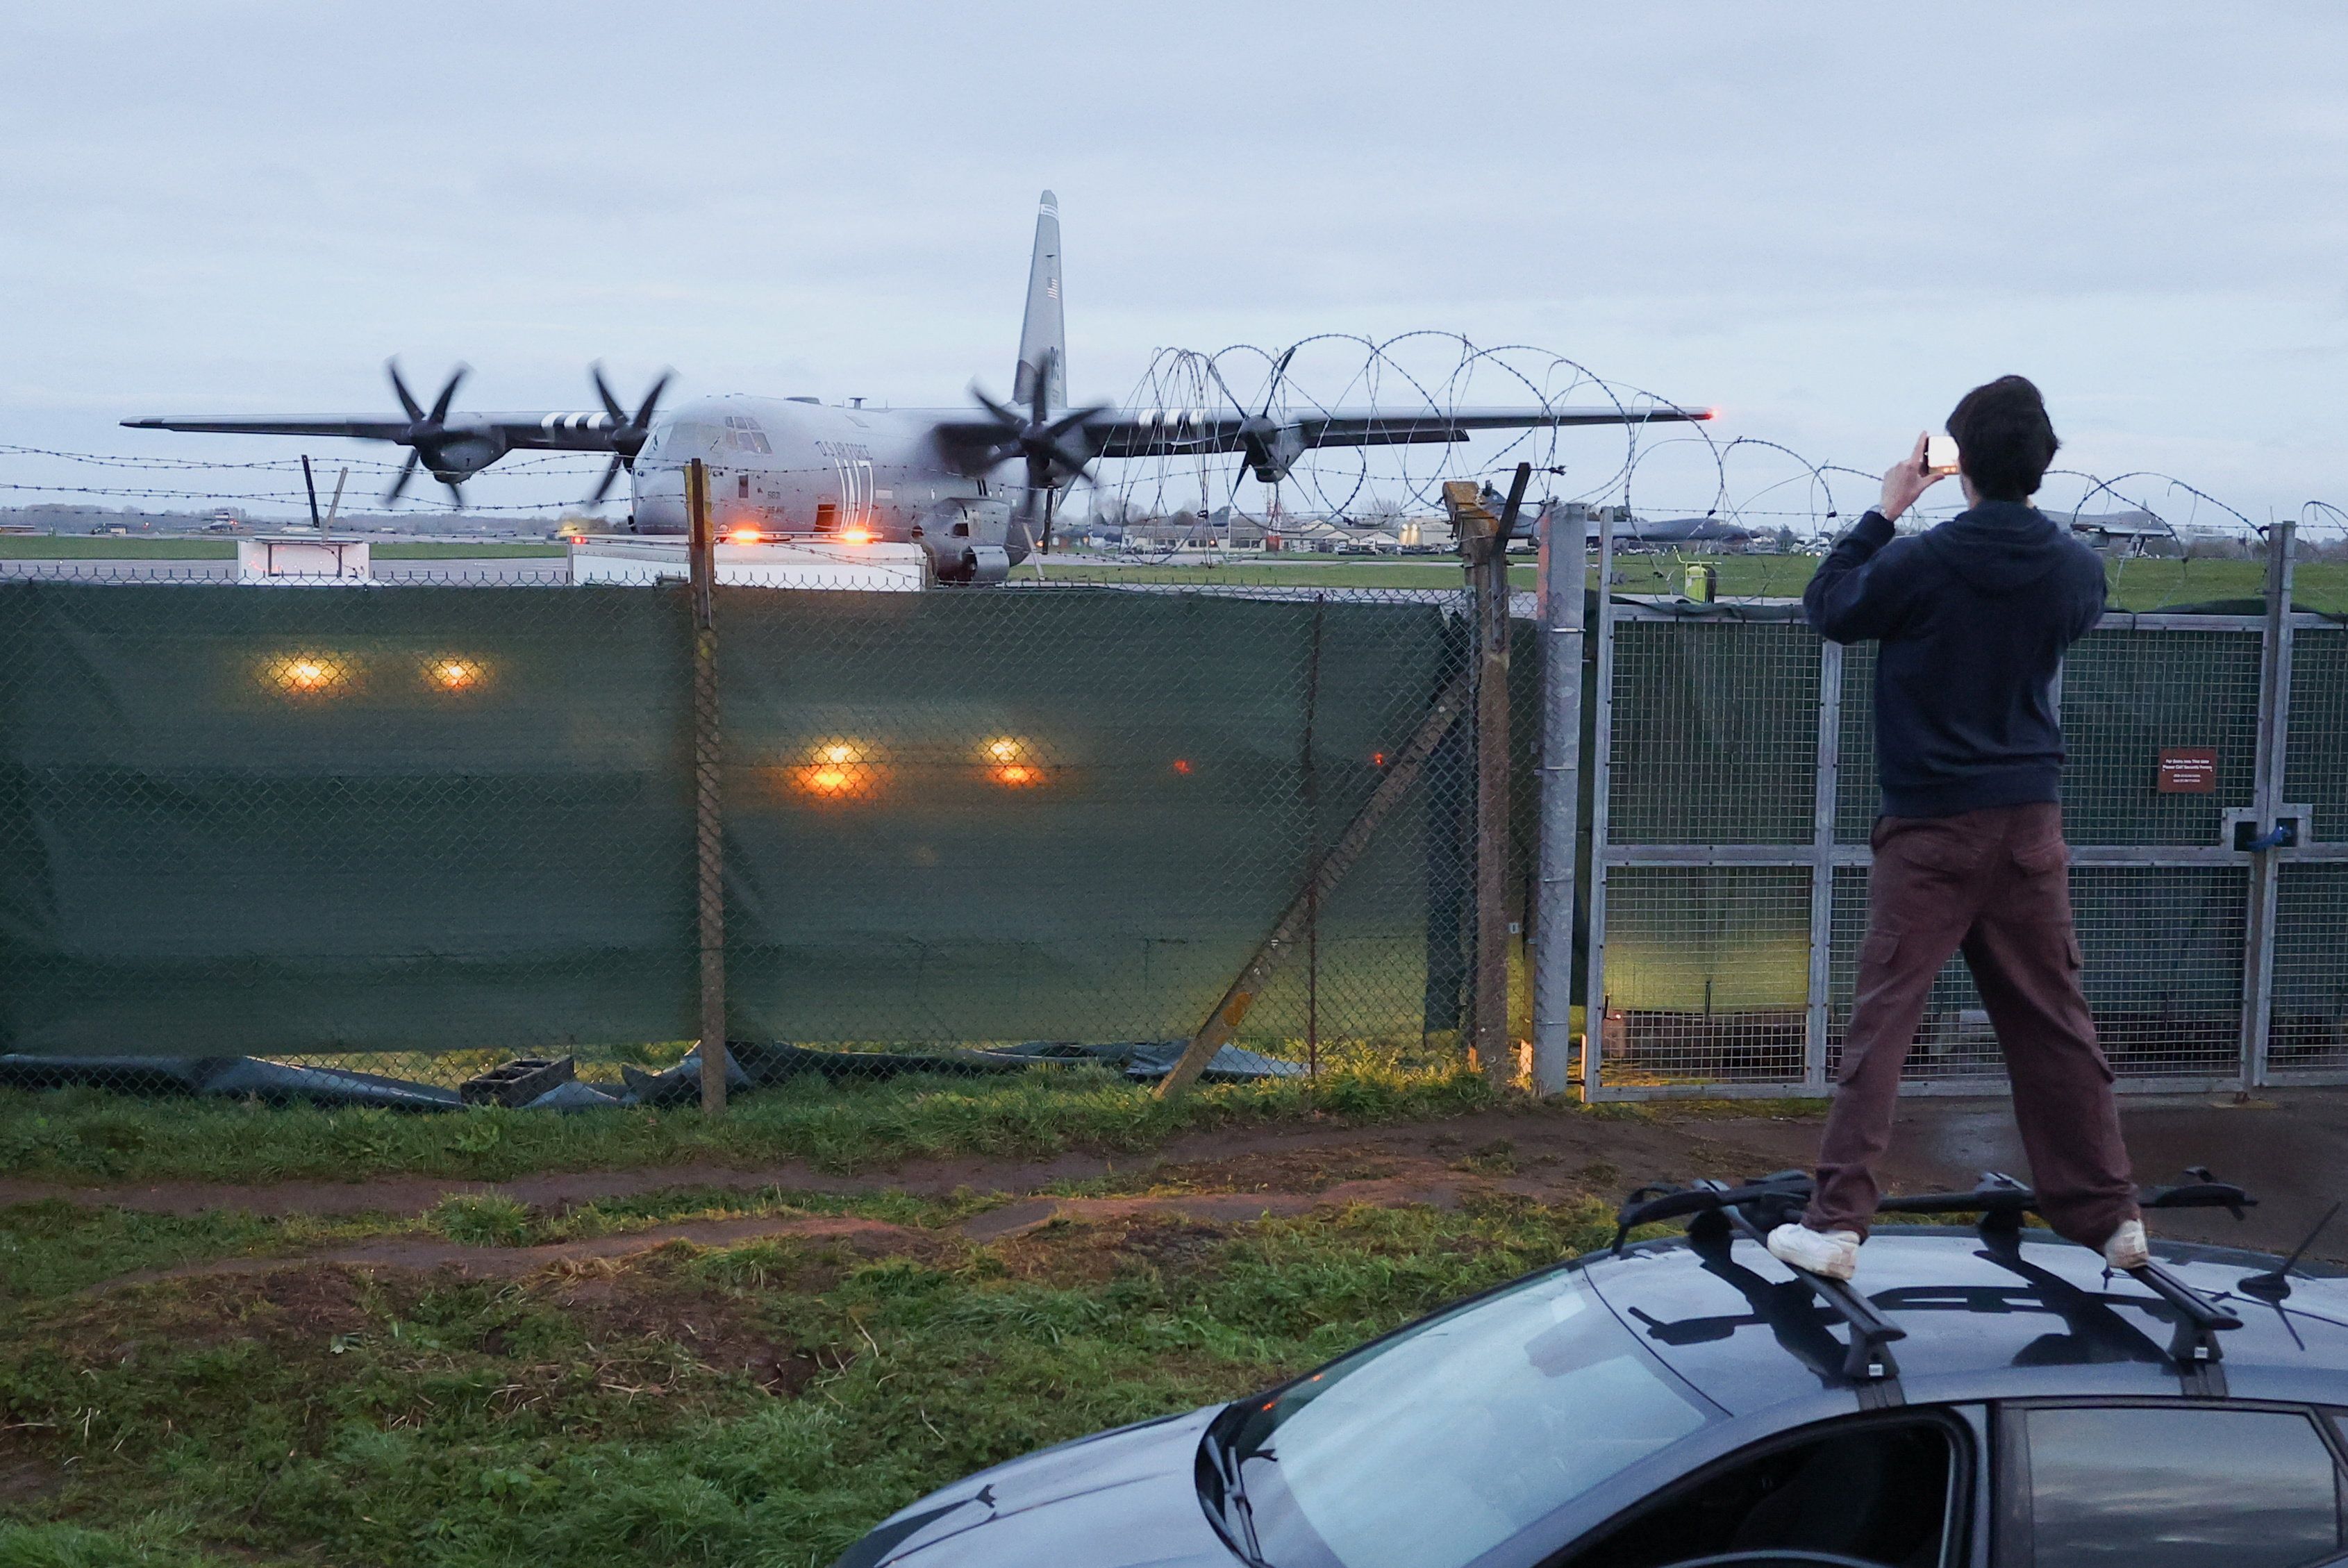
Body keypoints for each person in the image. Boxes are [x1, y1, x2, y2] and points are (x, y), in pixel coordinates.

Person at [1765, 374, 2148, 1281]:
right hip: (2028, 824)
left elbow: (1829, 606)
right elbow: (2068, 617)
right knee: (2055, 1027)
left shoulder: (1923, 559)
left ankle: (1834, 1221)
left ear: (1960, 462)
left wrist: (1886, 510)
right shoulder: (2073, 566)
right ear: (2042, 466)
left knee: (1883, 1028)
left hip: (1929, 826)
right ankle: (2111, 1214)